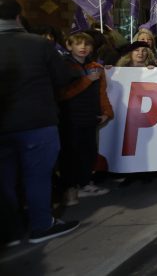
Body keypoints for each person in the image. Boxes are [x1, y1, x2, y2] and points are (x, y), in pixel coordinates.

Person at [0, 0, 78, 245]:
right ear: (19, 17)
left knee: (4, 179)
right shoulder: (39, 45)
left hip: (3, 125)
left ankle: (10, 232)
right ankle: (41, 224)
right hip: (37, 122)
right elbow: (63, 77)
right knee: (37, 176)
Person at [58, 32, 114, 206]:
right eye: (78, 44)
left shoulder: (96, 66)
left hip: (90, 116)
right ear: (69, 46)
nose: (83, 48)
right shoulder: (64, 66)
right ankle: (71, 188)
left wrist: (106, 112)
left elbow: (101, 92)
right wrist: (86, 80)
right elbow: (62, 93)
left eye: (86, 45)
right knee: (70, 154)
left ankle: (84, 183)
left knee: (88, 151)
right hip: (70, 118)